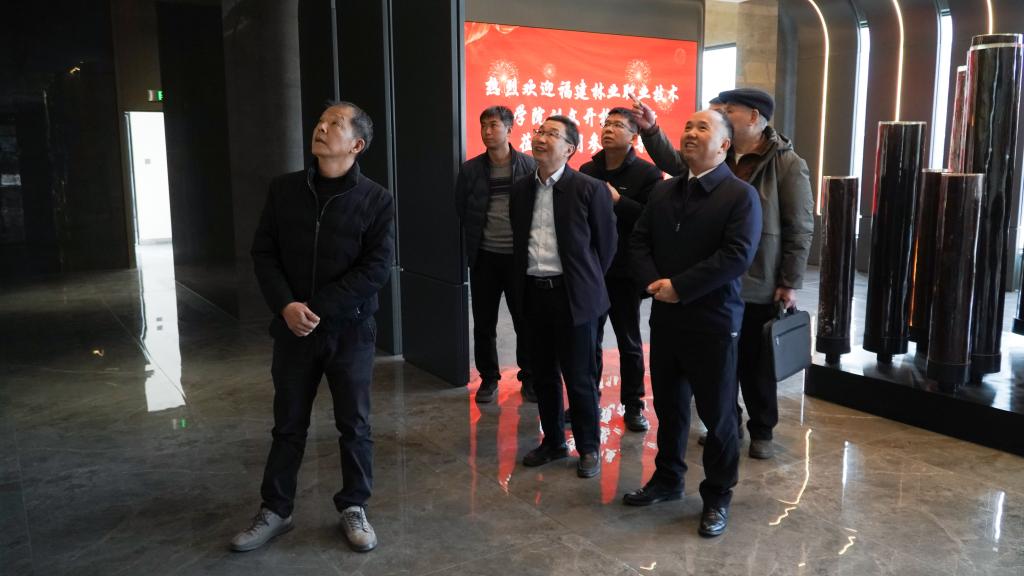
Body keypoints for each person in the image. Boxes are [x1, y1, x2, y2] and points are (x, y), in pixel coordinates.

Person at [233, 102, 395, 553]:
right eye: (321, 122)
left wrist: (316, 308)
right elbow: (264, 253)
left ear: (357, 145)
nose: (321, 128)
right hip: (293, 331)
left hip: (350, 331)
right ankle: (276, 509)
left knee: (354, 425)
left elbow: (376, 268)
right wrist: (286, 306)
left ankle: (354, 506)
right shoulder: (284, 189)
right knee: (288, 425)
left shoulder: (376, 199)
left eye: (334, 124)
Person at [631, 88, 814, 459]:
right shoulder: (719, 155)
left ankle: (762, 428)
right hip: (711, 281)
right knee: (718, 365)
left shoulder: (786, 163)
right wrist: (651, 131)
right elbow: (677, 162)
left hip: (758, 277)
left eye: (731, 109)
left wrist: (789, 281)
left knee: (754, 361)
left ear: (754, 117)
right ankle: (727, 421)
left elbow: (799, 226)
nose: (723, 114)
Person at [624, 109, 761, 538]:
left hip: (713, 321)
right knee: (669, 407)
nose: (690, 133)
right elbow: (639, 241)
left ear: (724, 145)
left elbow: (736, 256)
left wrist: (680, 287)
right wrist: (654, 282)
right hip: (666, 318)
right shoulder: (664, 192)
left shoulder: (740, 196)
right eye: (688, 126)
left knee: (718, 417)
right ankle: (668, 478)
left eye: (703, 128)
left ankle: (717, 495)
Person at [510, 115, 617, 478]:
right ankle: (554, 442)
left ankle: (588, 447)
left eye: (552, 134)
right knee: (542, 375)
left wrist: (584, 281)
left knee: (579, 376)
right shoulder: (521, 189)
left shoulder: (589, 189)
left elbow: (606, 246)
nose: (541, 138)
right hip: (533, 293)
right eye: (539, 131)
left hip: (573, 297)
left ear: (570, 149)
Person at [579, 107, 663, 432]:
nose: (609, 129)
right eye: (606, 124)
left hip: (625, 272)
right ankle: (588, 399)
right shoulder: (588, 170)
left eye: (617, 125)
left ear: (633, 137)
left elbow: (651, 219)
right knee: (589, 340)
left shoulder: (647, 173)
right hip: (592, 270)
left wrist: (617, 201)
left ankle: (633, 405)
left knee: (628, 341)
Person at [456, 106, 538, 403]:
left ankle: (529, 376)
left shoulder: (529, 166)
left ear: (509, 129)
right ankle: (489, 378)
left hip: (519, 258)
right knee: (484, 322)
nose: (487, 131)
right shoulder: (470, 170)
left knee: (524, 320)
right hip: (485, 257)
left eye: (493, 125)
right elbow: (462, 209)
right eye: (483, 126)